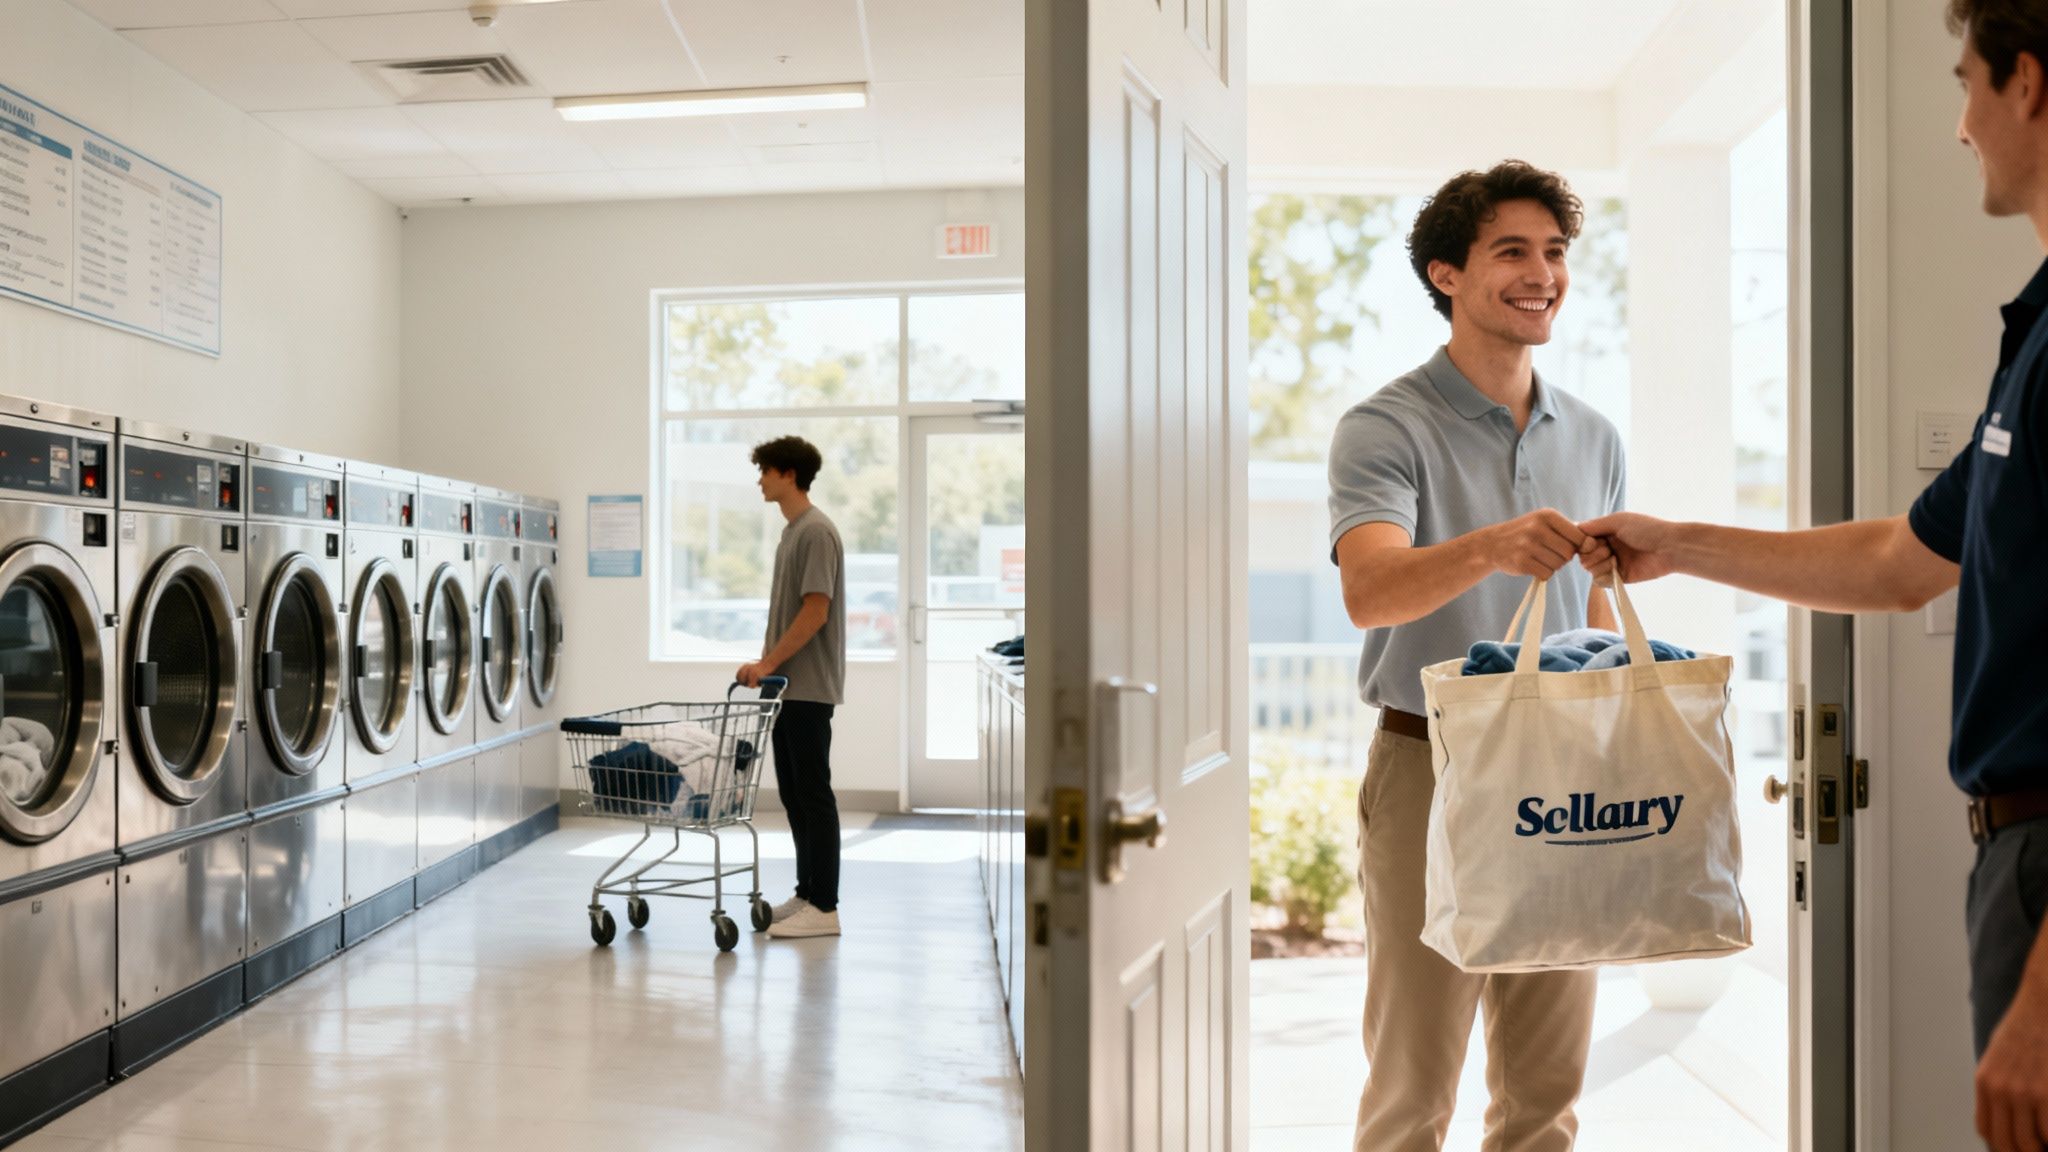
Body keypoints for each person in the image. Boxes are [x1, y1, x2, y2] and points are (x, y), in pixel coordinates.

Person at [1579, 6, 2048, 1147]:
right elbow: (1900, 561)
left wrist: (2041, 1001)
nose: (1956, 126)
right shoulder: (2034, 340)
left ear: (2025, 83)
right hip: (2014, 862)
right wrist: (1678, 544)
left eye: (1964, 83)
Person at [1327, 160, 1621, 1152]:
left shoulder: (1592, 434)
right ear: (1445, 273)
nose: (1540, 273)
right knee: (1412, 1089)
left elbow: (1596, 617)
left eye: (1552, 252)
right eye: (1510, 252)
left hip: (1563, 765)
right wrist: (1493, 544)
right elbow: (1371, 588)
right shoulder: (1383, 427)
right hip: (1431, 766)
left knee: (1544, 1098)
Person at [737, 435, 847, 940]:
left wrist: (766, 663)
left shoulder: (816, 532)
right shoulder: (792, 533)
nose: (759, 479)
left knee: (813, 796)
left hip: (806, 688)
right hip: (785, 687)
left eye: (764, 470)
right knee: (794, 796)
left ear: (787, 473)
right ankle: (807, 894)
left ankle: (824, 906)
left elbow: (815, 611)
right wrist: (768, 672)